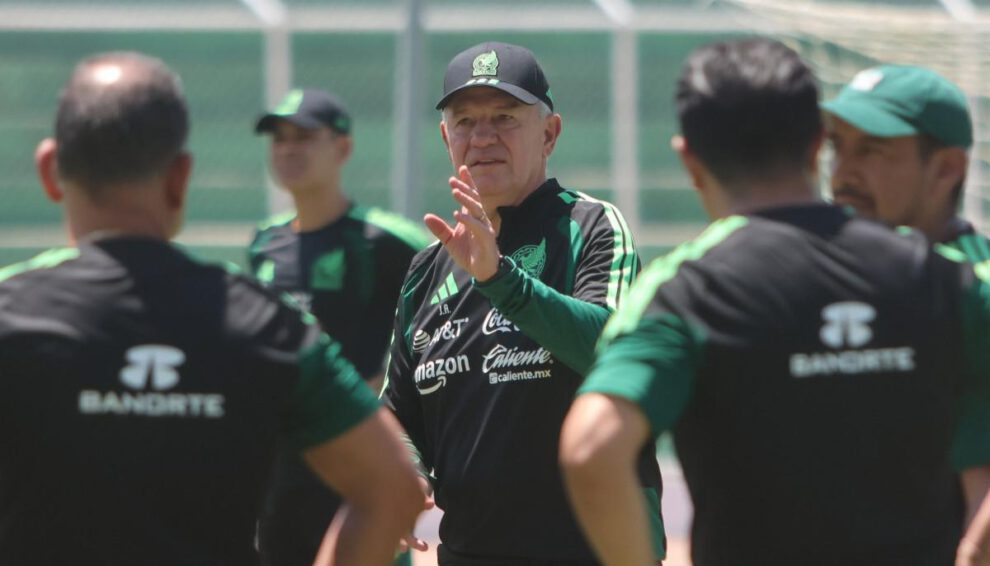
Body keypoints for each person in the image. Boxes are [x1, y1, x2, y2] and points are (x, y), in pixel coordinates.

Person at [559, 38, 990, 566]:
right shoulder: (941, 276)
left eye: (875, 148)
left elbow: (591, 448)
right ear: (815, 147)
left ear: (688, 159)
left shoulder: (685, 289)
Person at [0, 51, 423, 565]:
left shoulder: (10, 308)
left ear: (49, 170)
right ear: (180, 178)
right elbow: (394, 488)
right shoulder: (269, 322)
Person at [380, 41, 663, 565]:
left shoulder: (591, 226)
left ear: (549, 133)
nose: (482, 137)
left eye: (504, 117)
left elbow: (611, 349)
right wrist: (406, 475)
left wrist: (500, 278)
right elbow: (398, 413)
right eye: (464, 122)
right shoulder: (426, 270)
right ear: (447, 138)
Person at [248, 88, 430, 566]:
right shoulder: (264, 245)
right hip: (283, 472)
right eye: (279, 138)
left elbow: (450, 324)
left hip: (359, 466)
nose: (289, 149)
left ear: (343, 148)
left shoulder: (388, 240)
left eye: (305, 137)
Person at [824, 64, 990, 564]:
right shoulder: (829, 274)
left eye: (872, 150)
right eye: (839, 147)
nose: (843, 173)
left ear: (946, 169)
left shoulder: (975, 289)